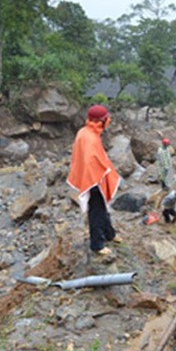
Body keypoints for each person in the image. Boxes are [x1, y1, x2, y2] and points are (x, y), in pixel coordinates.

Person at [67, 105, 121, 256]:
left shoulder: (86, 132)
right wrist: (102, 176)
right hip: (94, 180)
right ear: (101, 121)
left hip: (92, 177)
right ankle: (97, 244)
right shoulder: (89, 137)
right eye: (107, 118)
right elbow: (92, 161)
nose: (109, 120)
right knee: (96, 211)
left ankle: (110, 234)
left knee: (102, 207)